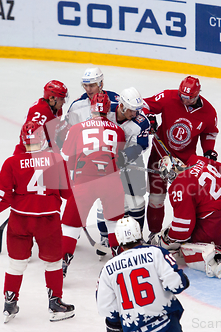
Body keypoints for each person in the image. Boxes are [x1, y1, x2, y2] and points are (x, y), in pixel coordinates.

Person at [0, 121, 75, 323]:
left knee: (16, 264)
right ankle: (55, 303)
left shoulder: (12, 162)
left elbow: (3, 196)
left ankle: (10, 302)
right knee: (53, 263)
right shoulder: (56, 160)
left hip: (20, 220)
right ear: (43, 139)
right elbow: (68, 194)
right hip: (48, 221)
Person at [151, 155, 221, 278]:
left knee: (185, 244)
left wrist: (167, 240)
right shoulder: (197, 160)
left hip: (216, 223)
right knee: (208, 229)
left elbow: (183, 229)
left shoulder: (179, 185)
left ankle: (216, 258)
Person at [143, 76, 219, 238]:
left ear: (197, 95)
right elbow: (144, 105)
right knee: (156, 197)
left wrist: (208, 150)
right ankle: (154, 234)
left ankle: (190, 232)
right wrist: (149, 118)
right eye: (182, 96)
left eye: (188, 98)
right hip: (159, 155)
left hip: (187, 163)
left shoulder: (209, 112)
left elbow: (209, 132)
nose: (183, 100)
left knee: (187, 199)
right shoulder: (168, 97)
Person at [60, 92, 126, 276]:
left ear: (91, 108)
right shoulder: (118, 130)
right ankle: (120, 263)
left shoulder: (77, 128)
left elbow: (65, 158)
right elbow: (118, 157)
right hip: (111, 181)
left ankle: (63, 262)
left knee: (70, 226)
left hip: (84, 180)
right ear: (108, 109)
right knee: (114, 224)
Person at [96, 217, 190, 332]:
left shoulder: (108, 268)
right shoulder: (157, 253)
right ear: (139, 233)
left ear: (118, 239)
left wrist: (115, 324)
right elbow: (177, 285)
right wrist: (184, 279)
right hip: (167, 325)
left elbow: (105, 308)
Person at [65, 67, 120, 253]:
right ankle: (112, 242)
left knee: (100, 204)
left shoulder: (116, 100)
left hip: (98, 162)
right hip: (95, 162)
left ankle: (103, 235)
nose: (88, 89)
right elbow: (69, 132)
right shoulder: (76, 106)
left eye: (92, 85)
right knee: (109, 207)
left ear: (101, 83)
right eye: (85, 85)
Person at [104, 87, 150, 244]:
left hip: (131, 161)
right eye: (131, 110)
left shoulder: (141, 122)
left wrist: (124, 156)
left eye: (137, 110)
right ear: (121, 105)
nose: (134, 114)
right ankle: (108, 236)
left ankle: (137, 237)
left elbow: (141, 146)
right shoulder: (105, 110)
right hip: (106, 161)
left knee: (136, 201)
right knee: (109, 199)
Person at [13, 80, 69, 155]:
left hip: (46, 151)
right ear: (51, 98)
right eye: (61, 99)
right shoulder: (39, 112)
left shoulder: (56, 109)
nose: (64, 102)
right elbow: (30, 141)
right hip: (27, 155)